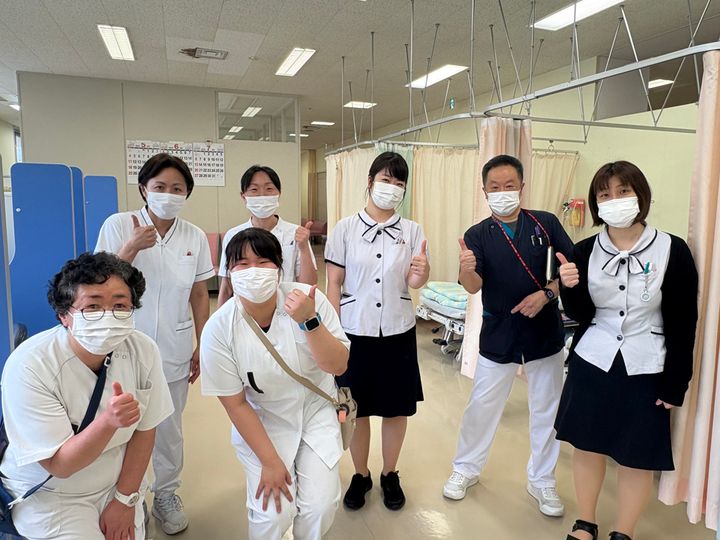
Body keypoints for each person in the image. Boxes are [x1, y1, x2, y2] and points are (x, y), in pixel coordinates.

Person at [555, 161, 698, 540]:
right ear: (596, 203)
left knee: (637, 455)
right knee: (587, 446)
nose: (614, 200)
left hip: (647, 366)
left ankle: (624, 531)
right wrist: (569, 286)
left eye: (623, 191)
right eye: (605, 194)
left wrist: (676, 383)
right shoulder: (584, 250)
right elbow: (581, 314)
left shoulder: (672, 249)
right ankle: (586, 521)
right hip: (592, 361)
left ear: (640, 195)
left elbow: (684, 321)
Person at [0, 252, 173, 540]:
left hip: (116, 482)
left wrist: (125, 500)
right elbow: (60, 465)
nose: (108, 315)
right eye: (93, 306)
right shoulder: (30, 365)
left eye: (120, 305)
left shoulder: (142, 349)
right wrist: (108, 422)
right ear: (64, 315)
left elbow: (146, 429)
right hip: (54, 495)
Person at [442, 154, 574, 517]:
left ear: (522, 187)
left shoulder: (545, 223)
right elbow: (473, 286)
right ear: (485, 191)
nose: (503, 192)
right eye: (495, 187)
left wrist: (547, 294)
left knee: (547, 408)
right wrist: (465, 268)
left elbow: (568, 269)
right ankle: (465, 469)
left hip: (544, 330)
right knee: (482, 406)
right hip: (499, 331)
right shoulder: (478, 234)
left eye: (509, 185)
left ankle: (542, 480)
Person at [200, 228, 349, 540]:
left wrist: (309, 321)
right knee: (273, 514)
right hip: (263, 419)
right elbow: (235, 404)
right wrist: (269, 462)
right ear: (229, 273)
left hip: (316, 412)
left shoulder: (310, 300)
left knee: (320, 507)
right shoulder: (219, 328)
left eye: (263, 262)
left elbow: (338, 365)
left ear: (280, 268)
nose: (253, 271)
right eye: (242, 264)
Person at [95, 153, 214, 534]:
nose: (168, 194)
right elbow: (97, 284)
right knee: (119, 426)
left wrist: (202, 342)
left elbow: (199, 293)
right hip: (122, 346)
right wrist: (130, 248)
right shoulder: (119, 225)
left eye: (177, 188)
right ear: (144, 189)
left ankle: (165, 494)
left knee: (168, 427)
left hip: (174, 346)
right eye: (160, 186)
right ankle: (126, 497)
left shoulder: (194, 236)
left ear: (187, 194)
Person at [325, 151, 430, 511]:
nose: (392, 188)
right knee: (356, 409)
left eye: (399, 183)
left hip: (398, 330)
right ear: (370, 182)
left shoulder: (412, 231)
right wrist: (333, 332)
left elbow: (414, 281)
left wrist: (422, 273)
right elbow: (333, 283)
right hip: (354, 331)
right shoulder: (344, 229)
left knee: (396, 408)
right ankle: (361, 474)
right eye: (386, 180)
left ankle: (389, 473)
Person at [217, 165, 317, 307]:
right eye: (254, 189)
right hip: (244, 309)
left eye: (269, 189)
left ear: (279, 193)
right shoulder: (233, 235)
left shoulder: (295, 233)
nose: (262, 195)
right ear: (243, 196)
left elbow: (308, 285)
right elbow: (226, 286)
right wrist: (219, 318)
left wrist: (304, 247)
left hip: (286, 309)